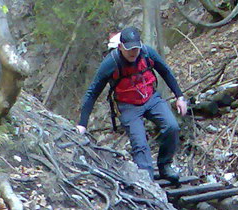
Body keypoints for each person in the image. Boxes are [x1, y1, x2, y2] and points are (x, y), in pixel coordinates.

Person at [76, 27, 189, 183]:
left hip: (151, 98)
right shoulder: (111, 62)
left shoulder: (147, 53)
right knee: (140, 143)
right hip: (128, 105)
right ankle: (147, 181)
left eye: (136, 48)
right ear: (120, 46)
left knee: (172, 126)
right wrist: (82, 124)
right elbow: (92, 92)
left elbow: (166, 72)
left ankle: (165, 165)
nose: (133, 52)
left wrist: (179, 96)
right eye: (129, 49)